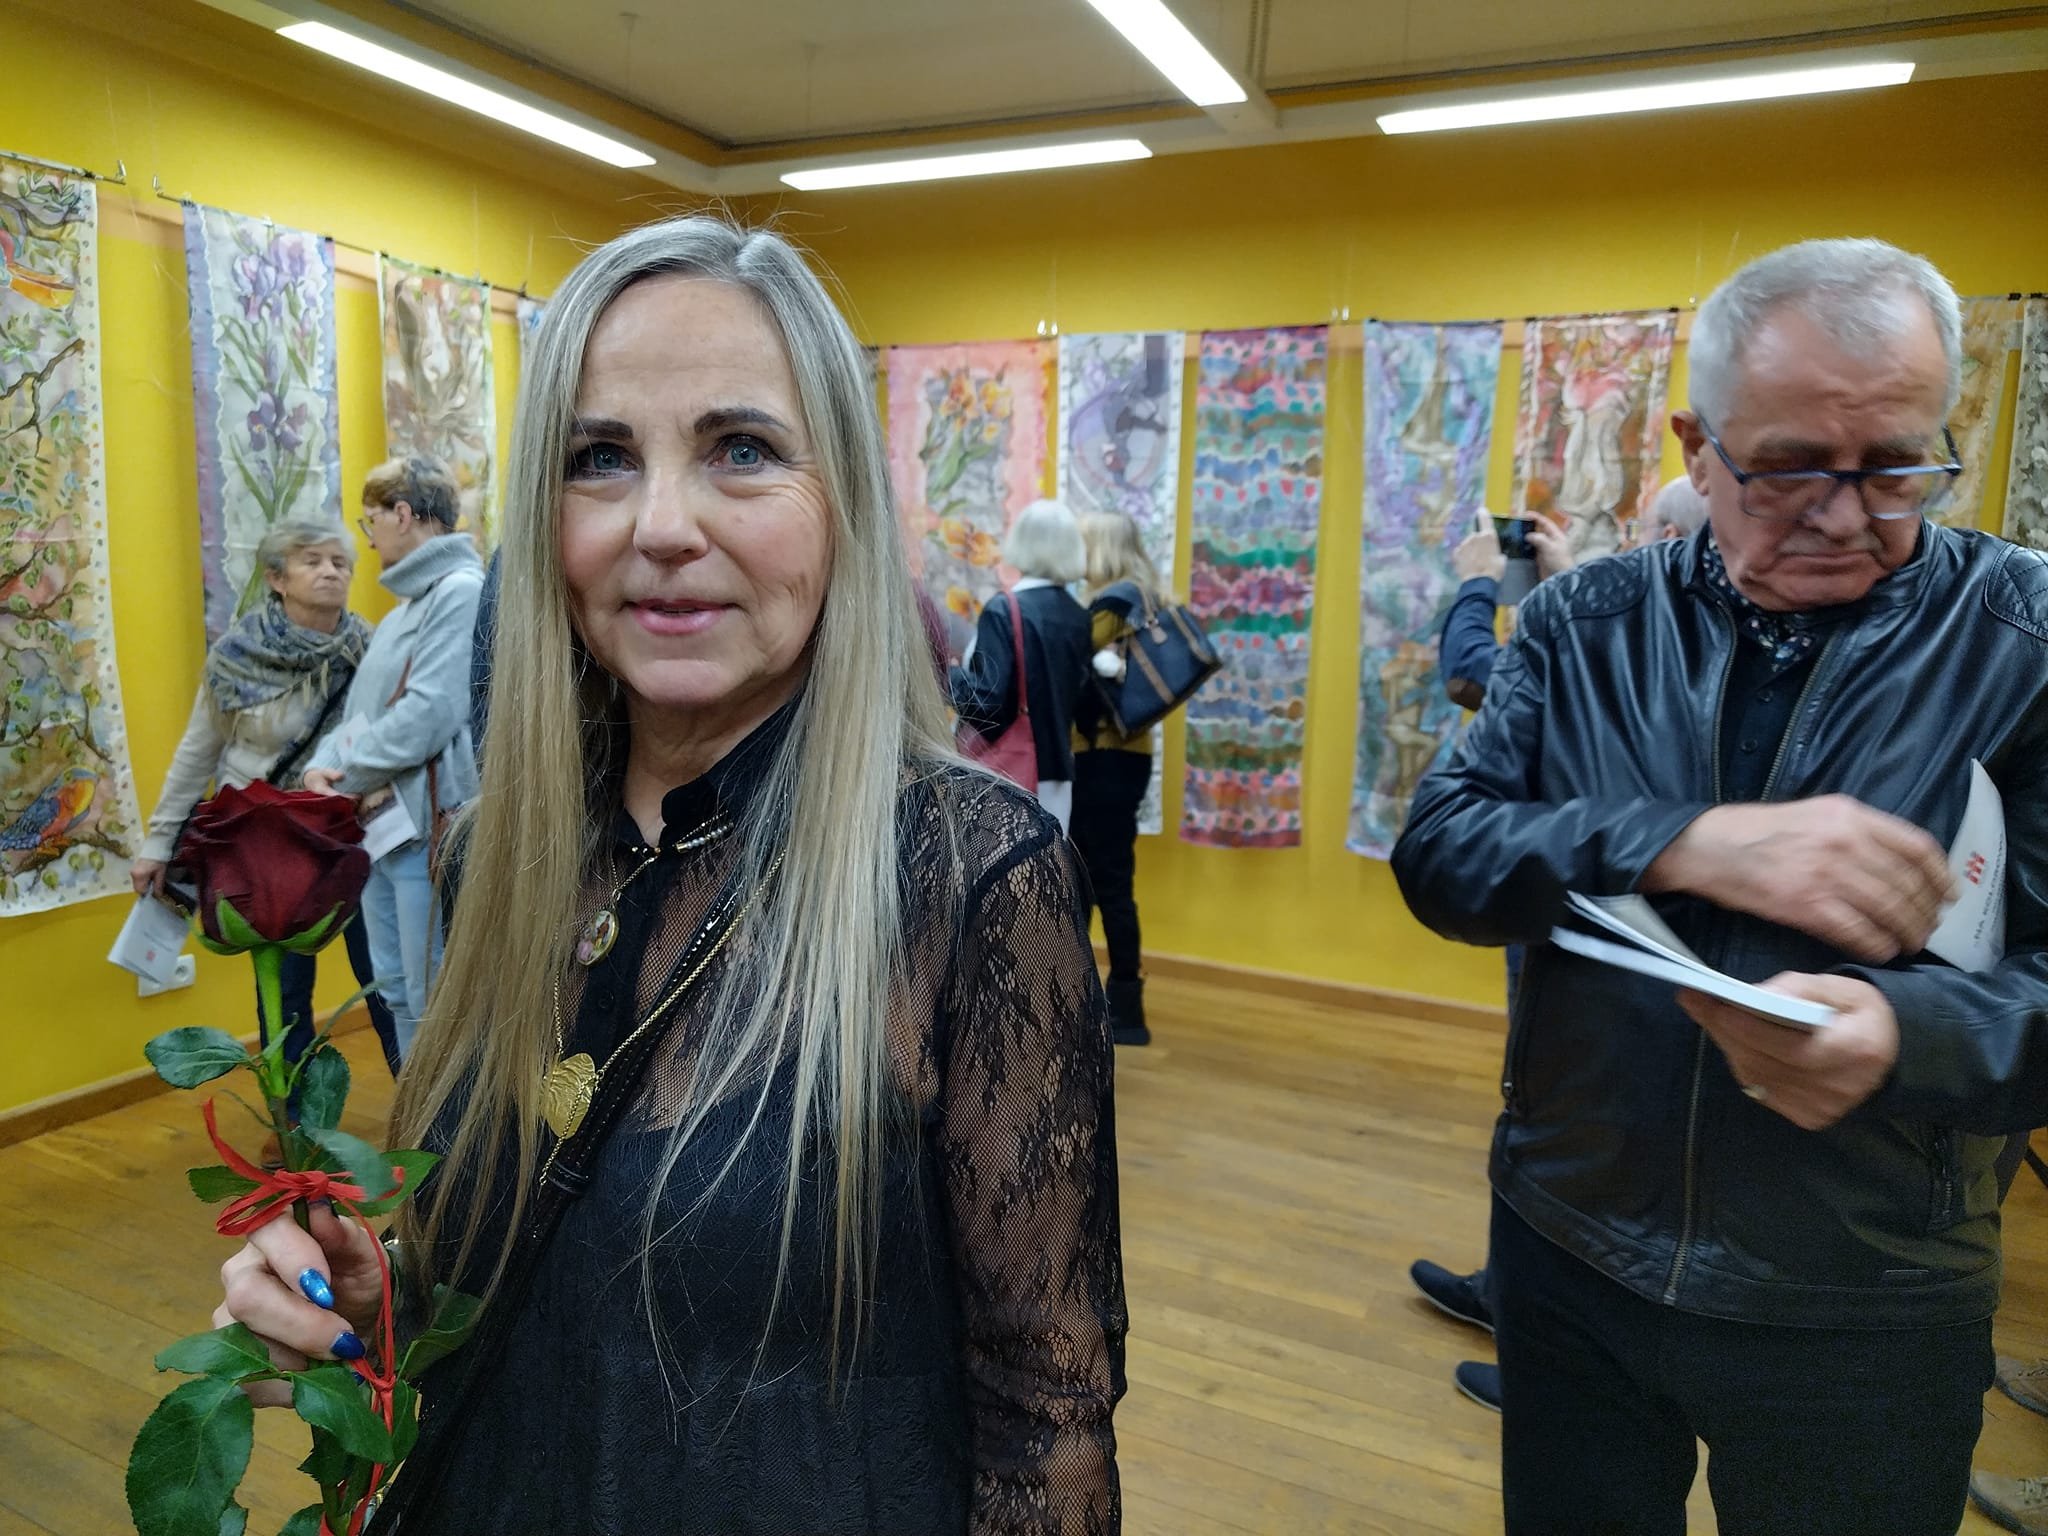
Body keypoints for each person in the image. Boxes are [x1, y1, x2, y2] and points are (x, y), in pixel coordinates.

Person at [210, 215, 1125, 1533]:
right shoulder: (499, 858)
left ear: (843, 500)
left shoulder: (969, 879)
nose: (661, 526)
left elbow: (1046, 1417)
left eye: (740, 449)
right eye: (599, 459)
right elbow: (526, 1276)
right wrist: (376, 1303)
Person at [1392, 236, 2048, 1536]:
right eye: (1789, 468)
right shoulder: (1584, 624)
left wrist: (1904, 1036)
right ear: (1698, 448)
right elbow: (1444, 853)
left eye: (1895, 467)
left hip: (1867, 1293)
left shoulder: (2022, 644)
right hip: (1571, 1242)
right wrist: (1681, 842)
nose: (1843, 516)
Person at [131, 519, 399, 1075]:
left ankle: (420, 1099)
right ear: (277, 578)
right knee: (284, 988)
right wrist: (158, 844)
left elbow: (395, 740)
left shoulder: (373, 649)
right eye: (312, 561)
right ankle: (290, 1110)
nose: (330, 572)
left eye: (340, 562)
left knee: (383, 976)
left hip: (351, 838)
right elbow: (197, 754)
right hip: (269, 847)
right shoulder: (238, 657)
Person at [302, 456, 483, 1066]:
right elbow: (360, 714)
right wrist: (321, 768)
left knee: (436, 997)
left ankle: (449, 1123)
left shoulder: (461, 592)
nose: (369, 537)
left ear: (402, 514)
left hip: (428, 834)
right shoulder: (402, 613)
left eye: (370, 520)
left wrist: (345, 780)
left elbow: (429, 715)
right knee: (398, 991)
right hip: (383, 832)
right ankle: (417, 1116)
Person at [1070, 509, 1164, 1047]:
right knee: (1110, 879)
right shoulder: (1145, 598)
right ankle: (1120, 1002)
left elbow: (1069, 653)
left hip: (1101, 755)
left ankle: (1102, 1005)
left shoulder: (1113, 604)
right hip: (1128, 756)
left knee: (1094, 880)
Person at [950, 499, 1094, 832]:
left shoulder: (1004, 609)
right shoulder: (1079, 617)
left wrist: (949, 674)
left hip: (1004, 771)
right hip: (1058, 771)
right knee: (1049, 860)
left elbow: (987, 702)